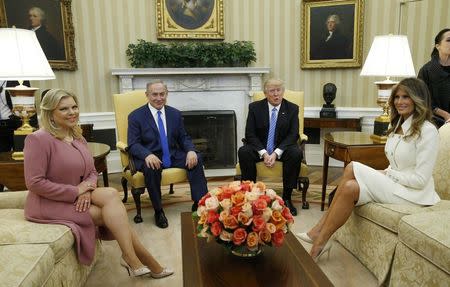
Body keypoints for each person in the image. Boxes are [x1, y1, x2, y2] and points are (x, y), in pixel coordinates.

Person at [23, 89, 173, 278]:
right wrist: (77, 190)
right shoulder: (38, 139)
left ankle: (130, 256)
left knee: (111, 194)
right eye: (64, 109)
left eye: (74, 107)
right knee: (108, 216)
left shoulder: (78, 137)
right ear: (50, 113)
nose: (72, 112)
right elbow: (34, 183)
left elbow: (92, 172)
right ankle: (147, 262)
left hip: (77, 194)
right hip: (47, 203)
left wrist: (86, 191)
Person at [296, 78, 441, 262]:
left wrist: (387, 174)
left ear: (417, 99)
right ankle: (321, 242)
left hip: (415, 195)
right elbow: (395, 164)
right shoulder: (396, 125)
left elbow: (420, 180)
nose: (399, 101)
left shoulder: (427, 131)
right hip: (397, 186)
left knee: (352, 167)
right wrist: (387, 172)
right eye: (396, 97)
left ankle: (317, 232)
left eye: (406, 97)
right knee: (349, 187)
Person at [127, 80, 208, 228]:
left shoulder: (174, 114)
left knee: (197, 158)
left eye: (162, 94)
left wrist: (191, 150)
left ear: (166, 94)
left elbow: (183, 137)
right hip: (151, 156)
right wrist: (146, 155)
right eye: (154, 94)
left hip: (172, 154)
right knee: (151, 167)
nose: (159, 98)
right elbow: (133, 144)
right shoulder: (136, 116)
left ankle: (199, 203)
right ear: (147, 95)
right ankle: (158, 211)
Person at [238, 78, 302, 216]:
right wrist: (264, 153)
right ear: (265, 93)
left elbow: (293, 135)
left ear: (283, 91)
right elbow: (250, 133)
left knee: (295, 153)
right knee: (243, 151)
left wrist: (275, 153)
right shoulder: (255, 108)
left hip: (282, 149)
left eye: (278, 90)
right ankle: (251, 196)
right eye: (272, 91)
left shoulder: (292, 109)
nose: (276, 94)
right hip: (260, 148)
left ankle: (287, 197)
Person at [418, 28, 450, 127]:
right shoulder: (426, 70)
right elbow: (421, 99)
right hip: (432, 122)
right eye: (448, 40)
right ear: (438, 46)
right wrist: (446, 115)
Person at [0, 81, 38, 152]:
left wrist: (34, 127)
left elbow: (29, 104)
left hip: (15, 124)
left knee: (21, 155)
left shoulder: (18, 78)